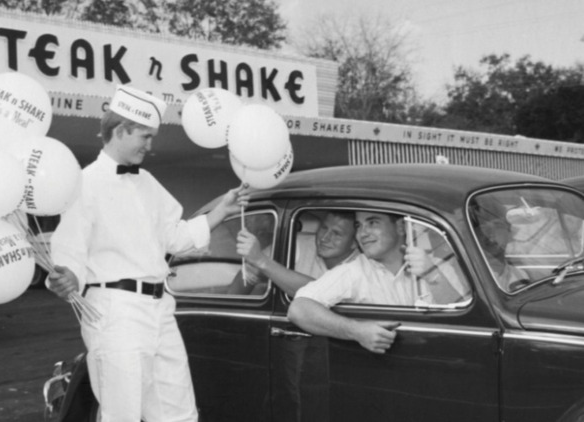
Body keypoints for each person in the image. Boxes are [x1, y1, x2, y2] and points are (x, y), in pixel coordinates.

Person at [46, 85, 248, 422]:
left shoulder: (148, 182)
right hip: (115, 313)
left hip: (160, 308)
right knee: (122, 414)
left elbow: (177, 237)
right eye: (145, 136)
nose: (150, 145)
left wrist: (221, 211)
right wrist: (65, 278)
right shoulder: (83, 184)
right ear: (122, 130)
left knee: (178, 411)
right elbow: (70, 255)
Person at [287, 211, 457, 354]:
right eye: (359, 226)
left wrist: (433, 275)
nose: (363, 233)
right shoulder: (354, 271)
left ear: (399, 227)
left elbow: (468, 318)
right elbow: (299, 309)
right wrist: (357, 331)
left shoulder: (436, 265)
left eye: (373, 223)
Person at [228, 210, 360, 296]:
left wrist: (263, 261)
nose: (324, 238)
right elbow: (249, 271)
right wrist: (230, 309)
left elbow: (323, 291)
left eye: (336, 234)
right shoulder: (297, 243)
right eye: (323, 227)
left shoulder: (363, 266)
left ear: (355, 242)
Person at [470, 198, 531, 291]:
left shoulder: (520, 276)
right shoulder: (460, 279)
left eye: (497, 226)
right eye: (482, 229)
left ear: (508, 232)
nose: (490, 236)